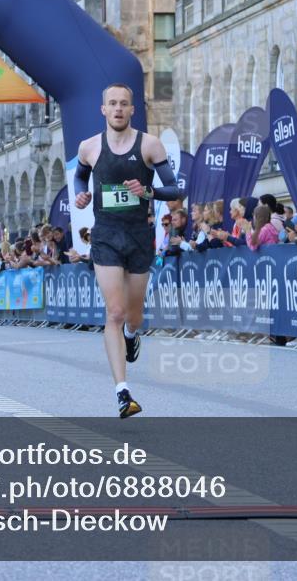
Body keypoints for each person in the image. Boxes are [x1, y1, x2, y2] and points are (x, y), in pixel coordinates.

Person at [73, 83, 183, 418]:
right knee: (115, 313)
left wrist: (148, 191)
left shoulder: (149, 145)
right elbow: (79, 179)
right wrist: (81, 195)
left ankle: (133, 335)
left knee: (133, 316)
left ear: (132, 110)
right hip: (105, 235)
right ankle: (123, 393)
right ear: (103, 109)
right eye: (112, 104)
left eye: (124, 104)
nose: (118, 109)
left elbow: (176, 189)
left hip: (138, 236)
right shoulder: (89, 147)